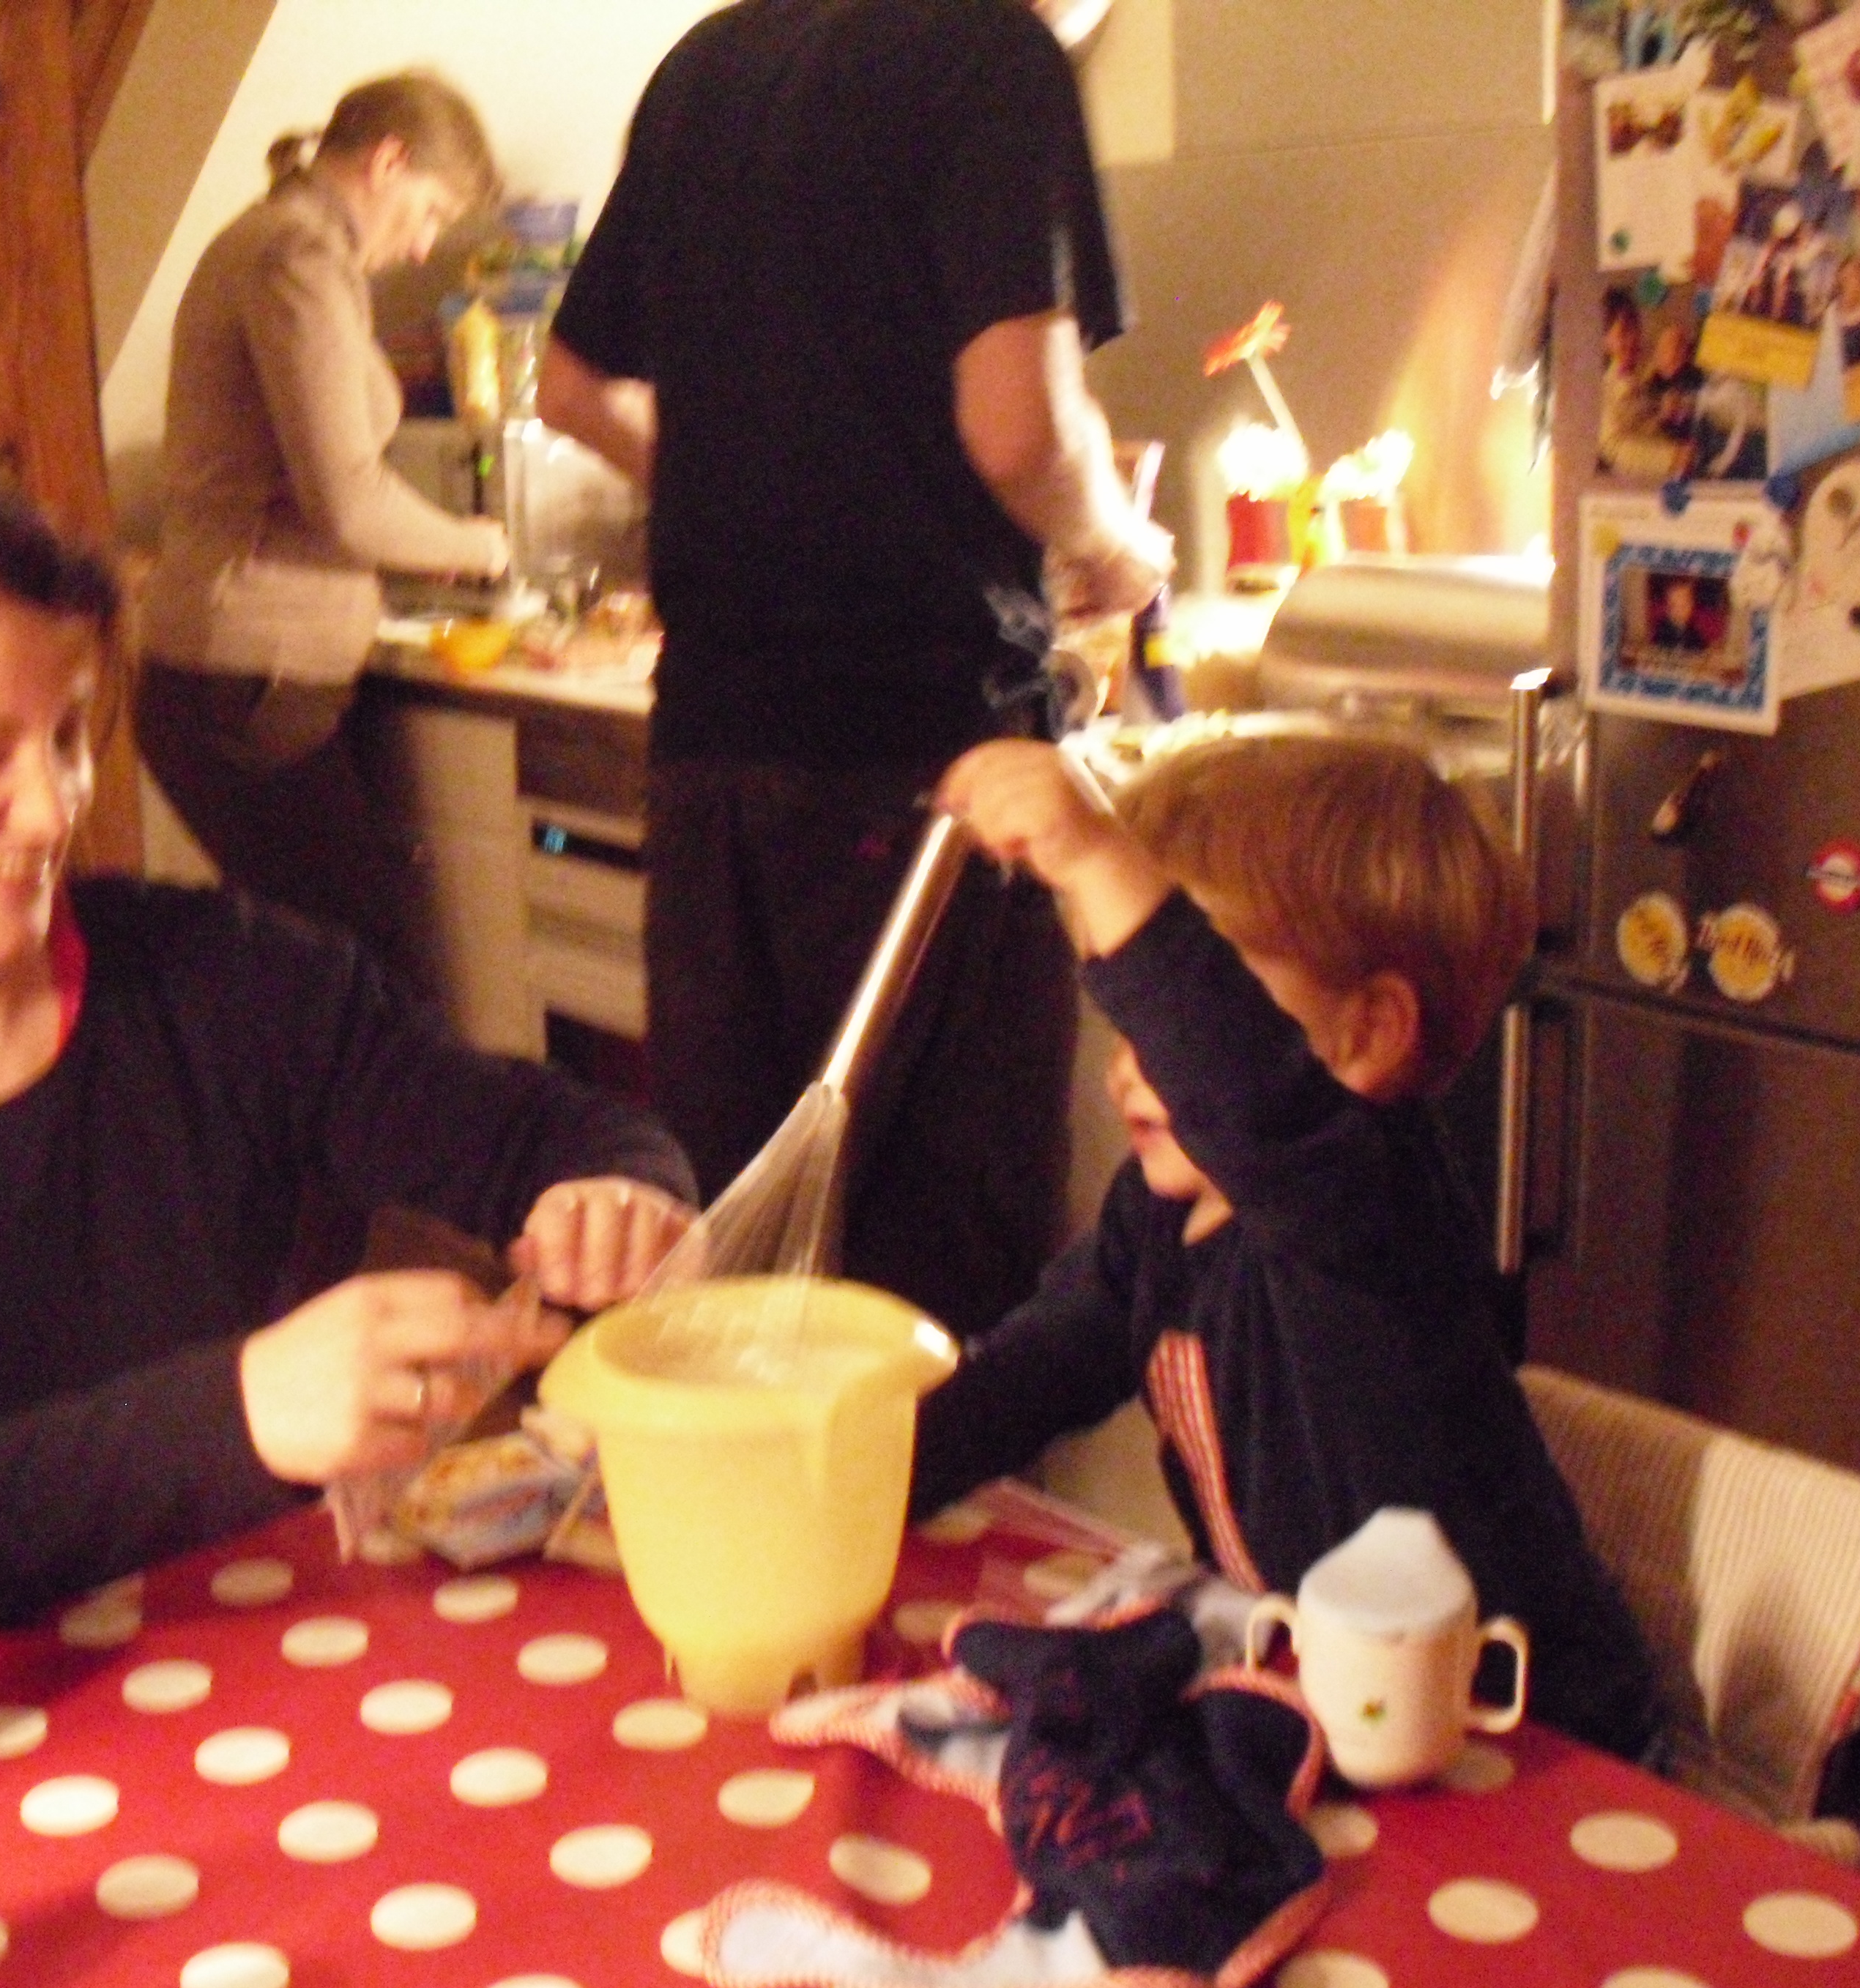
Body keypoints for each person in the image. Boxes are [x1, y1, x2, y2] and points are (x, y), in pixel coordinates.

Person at [0, 425, 693, 1629]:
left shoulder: (223, 977)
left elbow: (546, 1133)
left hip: (239, 1658)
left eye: (67, 737)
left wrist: (617, 1194)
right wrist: (241, 1415)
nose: (52, 806)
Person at [533, 0, 1171, 1346]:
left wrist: (735, 491)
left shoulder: (709, 62)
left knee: (736, 1233)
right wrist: (1119, 547)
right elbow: (1021, 431)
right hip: (924, 758)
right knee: (937, 1279)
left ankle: (741, 1488)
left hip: (711, 753)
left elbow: (571, 384)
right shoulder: (995, 57)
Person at [915, 731, 1662, 1760]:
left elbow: (1248, 1098)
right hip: (1337, 1706)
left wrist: (1098, 856)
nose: (1131, 1065)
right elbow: (1026, 1377)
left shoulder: (1372, 1209)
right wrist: (847, 1471)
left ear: (1366, 1036)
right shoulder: (1159, 1218)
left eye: (1174, 1013)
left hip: (1525, 1738)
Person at [133, 73, 510, 991]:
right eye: (430, 210)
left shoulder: (284, 243)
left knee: (306, 977)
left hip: (236, 675)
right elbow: (347, 498)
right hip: (250, 678)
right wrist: (479, 547)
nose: (421, 244)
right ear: (388, 161)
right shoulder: (296, 255)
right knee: (373, 983)